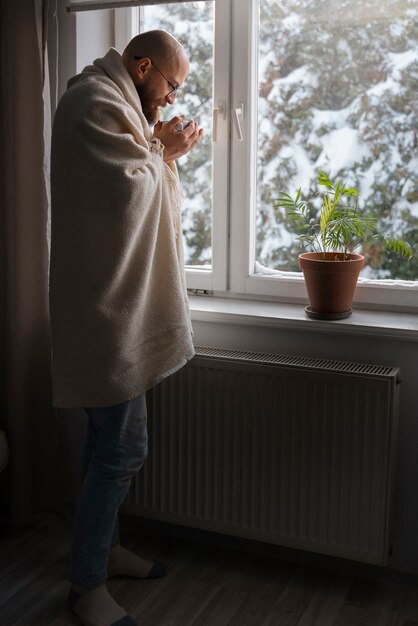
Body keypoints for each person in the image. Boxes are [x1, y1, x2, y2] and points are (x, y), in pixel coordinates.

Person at [49, 30, 203, 626]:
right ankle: (84, 586)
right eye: (169, 86)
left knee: (103, 444)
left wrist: (160, 151)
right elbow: (124, 196)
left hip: (113, 307)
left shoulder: (113, 100)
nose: (168, 101)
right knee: (123, 447)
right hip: (104, 312)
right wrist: (162, 152)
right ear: (141, 67)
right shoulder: (93, 103)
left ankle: (105, 552)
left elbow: (135, 182)